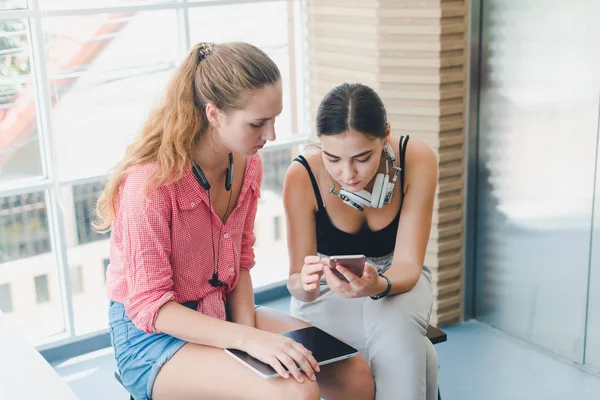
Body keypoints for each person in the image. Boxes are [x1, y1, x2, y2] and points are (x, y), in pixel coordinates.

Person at [94, 43, 374, 400]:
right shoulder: (147, 185)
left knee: (354, 371)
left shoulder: (247, 164)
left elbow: (239, 262)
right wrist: (249, 340)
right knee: (294, 391)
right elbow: (152, 308)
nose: (270, 136)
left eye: (274, 120)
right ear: (214, 115)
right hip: (153, 339)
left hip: (222, 312)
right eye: (257, 123)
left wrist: (248, 342)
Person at [283, 83, 439, 400]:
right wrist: (307, 285)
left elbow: (409, 264)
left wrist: (377, 286)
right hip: (328, 288)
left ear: (385, 135)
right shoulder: (302, 176)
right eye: (333, 159)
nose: (348, 174)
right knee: (421, 357)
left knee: (397, 342)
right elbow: (296, 281)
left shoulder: (416, 159)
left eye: (362, 158)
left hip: (396, 279)